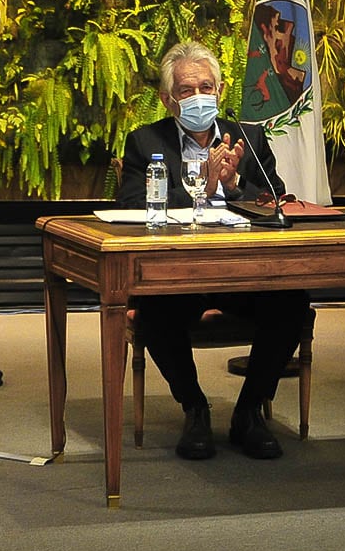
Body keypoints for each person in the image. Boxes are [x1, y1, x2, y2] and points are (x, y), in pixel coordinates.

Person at [115, 40, 308, 460]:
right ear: (169, 100)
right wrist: (199, 190)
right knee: (154, 311)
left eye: (207, 87)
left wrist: (235, 186)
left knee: (292, 301)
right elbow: (131, 208)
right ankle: (195, 408)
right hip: (180, 276)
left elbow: (277, 204)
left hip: (244, 273)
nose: (199, 96)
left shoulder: (250, 139)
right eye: (187, 90)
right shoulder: (145, 143)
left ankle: (248, 412)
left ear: (219, 92)